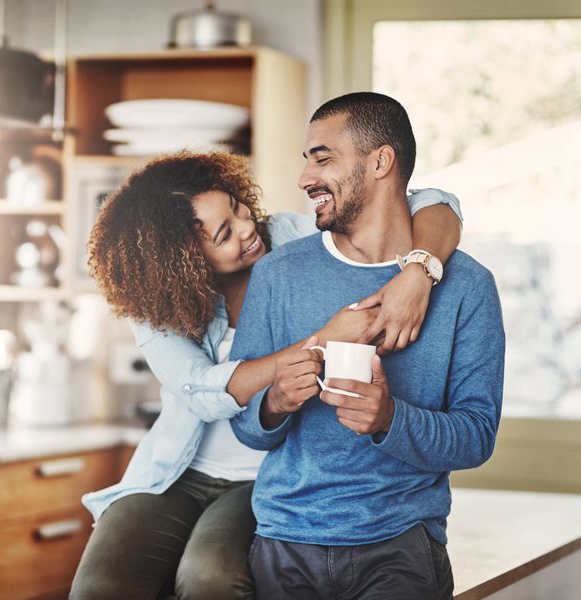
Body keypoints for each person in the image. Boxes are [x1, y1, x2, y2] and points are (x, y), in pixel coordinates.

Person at [70, 149, 463, 600]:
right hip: (176, 472)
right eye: (224, 234)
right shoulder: (155, 303)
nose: (246, 230)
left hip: (268, 472)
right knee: (99, 587)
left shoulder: (292, 236)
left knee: (209, 578)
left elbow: (436, 202)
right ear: (183, 263)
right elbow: (203, 389)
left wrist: (419, 270)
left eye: (238, 209)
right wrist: (323, 338)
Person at [230, 92, 505, 600]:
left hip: (401, 546)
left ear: (381, 161)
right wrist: (275, 402)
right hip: (285, 541)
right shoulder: (276, 274)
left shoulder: (467, 287)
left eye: (323, 157)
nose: (304, 177)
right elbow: (245, 425)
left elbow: (476, 437)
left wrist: (389, 420)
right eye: (307, 159)